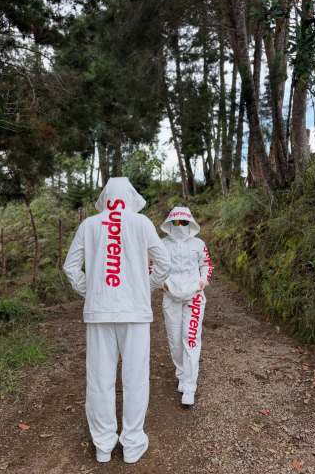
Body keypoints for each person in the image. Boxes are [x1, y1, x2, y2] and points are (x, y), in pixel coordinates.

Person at [63, 177, 170, 464]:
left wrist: (91, 292)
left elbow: (70, 267)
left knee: (99, 380)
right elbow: (164, 264)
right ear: (131, 197)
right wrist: (144, 287)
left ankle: (103, 446)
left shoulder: (89, 225)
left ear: (105, 198)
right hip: (135, 313)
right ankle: (132, 445)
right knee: (135, 380)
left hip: (99, 312)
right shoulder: (142, 223)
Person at [160, 206, 214, 406]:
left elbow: (207, 264)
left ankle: (190, 386)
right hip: (170, 297)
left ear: (190, 222)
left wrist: (202, 281)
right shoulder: (162, 244)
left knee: (190, 340)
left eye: (184, 222)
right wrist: (162, 283)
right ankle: (182, 374)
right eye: (176, 222)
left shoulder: (199, 244)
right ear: (170, 223)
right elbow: (152, 267)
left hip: (195, 298)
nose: (180, 225)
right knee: (175, 341)